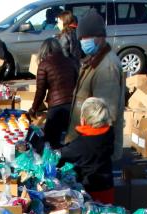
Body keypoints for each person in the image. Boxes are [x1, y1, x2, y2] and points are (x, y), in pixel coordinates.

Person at [65, 10, 125, 161]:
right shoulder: (93, 61)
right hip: (85, 144)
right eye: (82, 38)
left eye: (87, 37)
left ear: (100, 37)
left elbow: (104, 116)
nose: (84, 41)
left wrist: (83, 149)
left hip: (93, 150)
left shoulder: (107, 67)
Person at [59, 97, 115, 203]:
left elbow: (61, 156)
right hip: (107, 188)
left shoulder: (81, 144)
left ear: (83, 120)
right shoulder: (109, 135)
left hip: (89, 191)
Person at [30, 37, 78, 148]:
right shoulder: (70, 61)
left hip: (56, 107)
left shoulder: (44, 64)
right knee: (71, 140)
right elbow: (77, 83)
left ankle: (54, 163)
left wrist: (34, 109)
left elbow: (40, 91)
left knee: (50, 142)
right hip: (73, 105)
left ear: (43, 50)